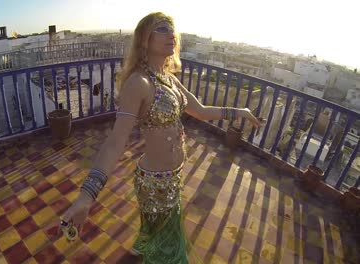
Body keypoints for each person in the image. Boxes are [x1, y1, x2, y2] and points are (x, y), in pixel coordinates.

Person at [59, 12, 261, 263]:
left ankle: (141, 245)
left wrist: (239, 112)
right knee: (171, 253)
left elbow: (201, 111)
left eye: (172, 29)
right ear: (145, 39)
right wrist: (86, 196)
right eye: (163, 28)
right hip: (155, 185)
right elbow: (115, 141)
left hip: (173, 178)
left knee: (157, 233)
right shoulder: (138, 83)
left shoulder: (170, 80)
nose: (172, 34)